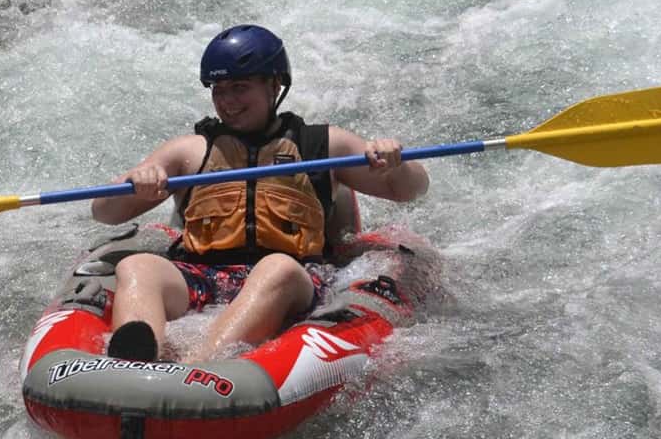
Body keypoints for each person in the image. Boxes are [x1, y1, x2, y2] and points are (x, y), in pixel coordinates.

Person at [91, 24, 429, 363]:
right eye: (219, 90)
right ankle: (137, 358)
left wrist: (395, 162)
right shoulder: (188, 151)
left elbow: (409, 190)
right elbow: (104, 211)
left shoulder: (324, 145)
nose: (227, 102)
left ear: (274, 85)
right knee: (138, 267)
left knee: (276, 268)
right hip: (204, 277)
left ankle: (198, 364)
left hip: (293, 280)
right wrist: (140, 182)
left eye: (240, 88)